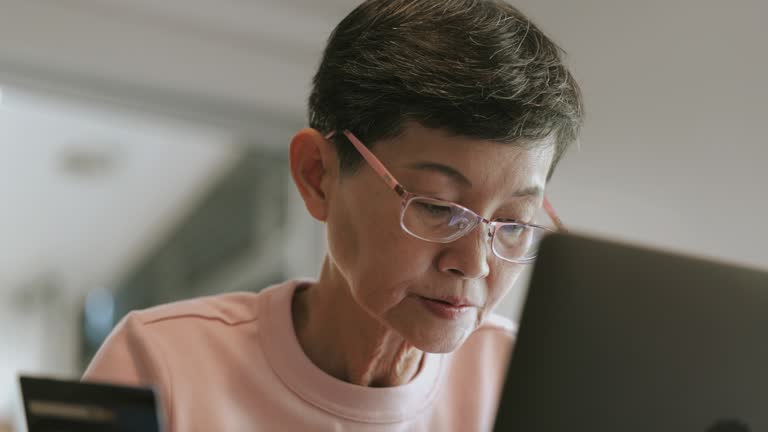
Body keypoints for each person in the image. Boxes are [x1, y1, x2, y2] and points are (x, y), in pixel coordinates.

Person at [83, 0, 584, 430]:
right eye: (436, 206)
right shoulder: (158, 364)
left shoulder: (530, 386)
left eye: (514, 223)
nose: (473, 263)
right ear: (317, 175)